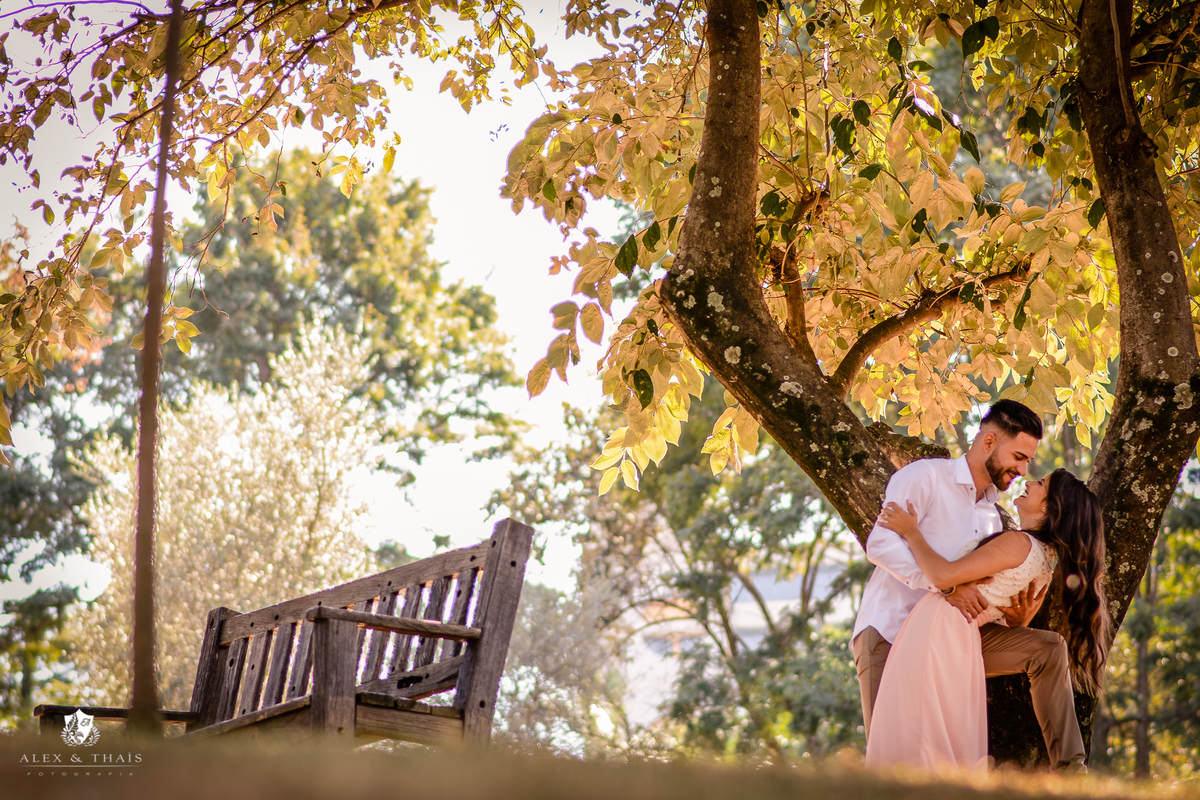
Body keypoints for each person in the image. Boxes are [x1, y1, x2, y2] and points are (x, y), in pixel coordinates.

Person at [850, 400, 1088, 771]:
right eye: (1019, 456)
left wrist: (1015, 619)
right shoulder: (925, 477)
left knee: (1045, 649)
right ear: (989, 441)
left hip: (958, 638)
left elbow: (983, 593)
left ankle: (1071, 770)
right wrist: (944, 588)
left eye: (1029, 462)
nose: (1023, 469)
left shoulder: (994, 519)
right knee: (895, 764)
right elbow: (880, 544)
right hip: (890, 630)